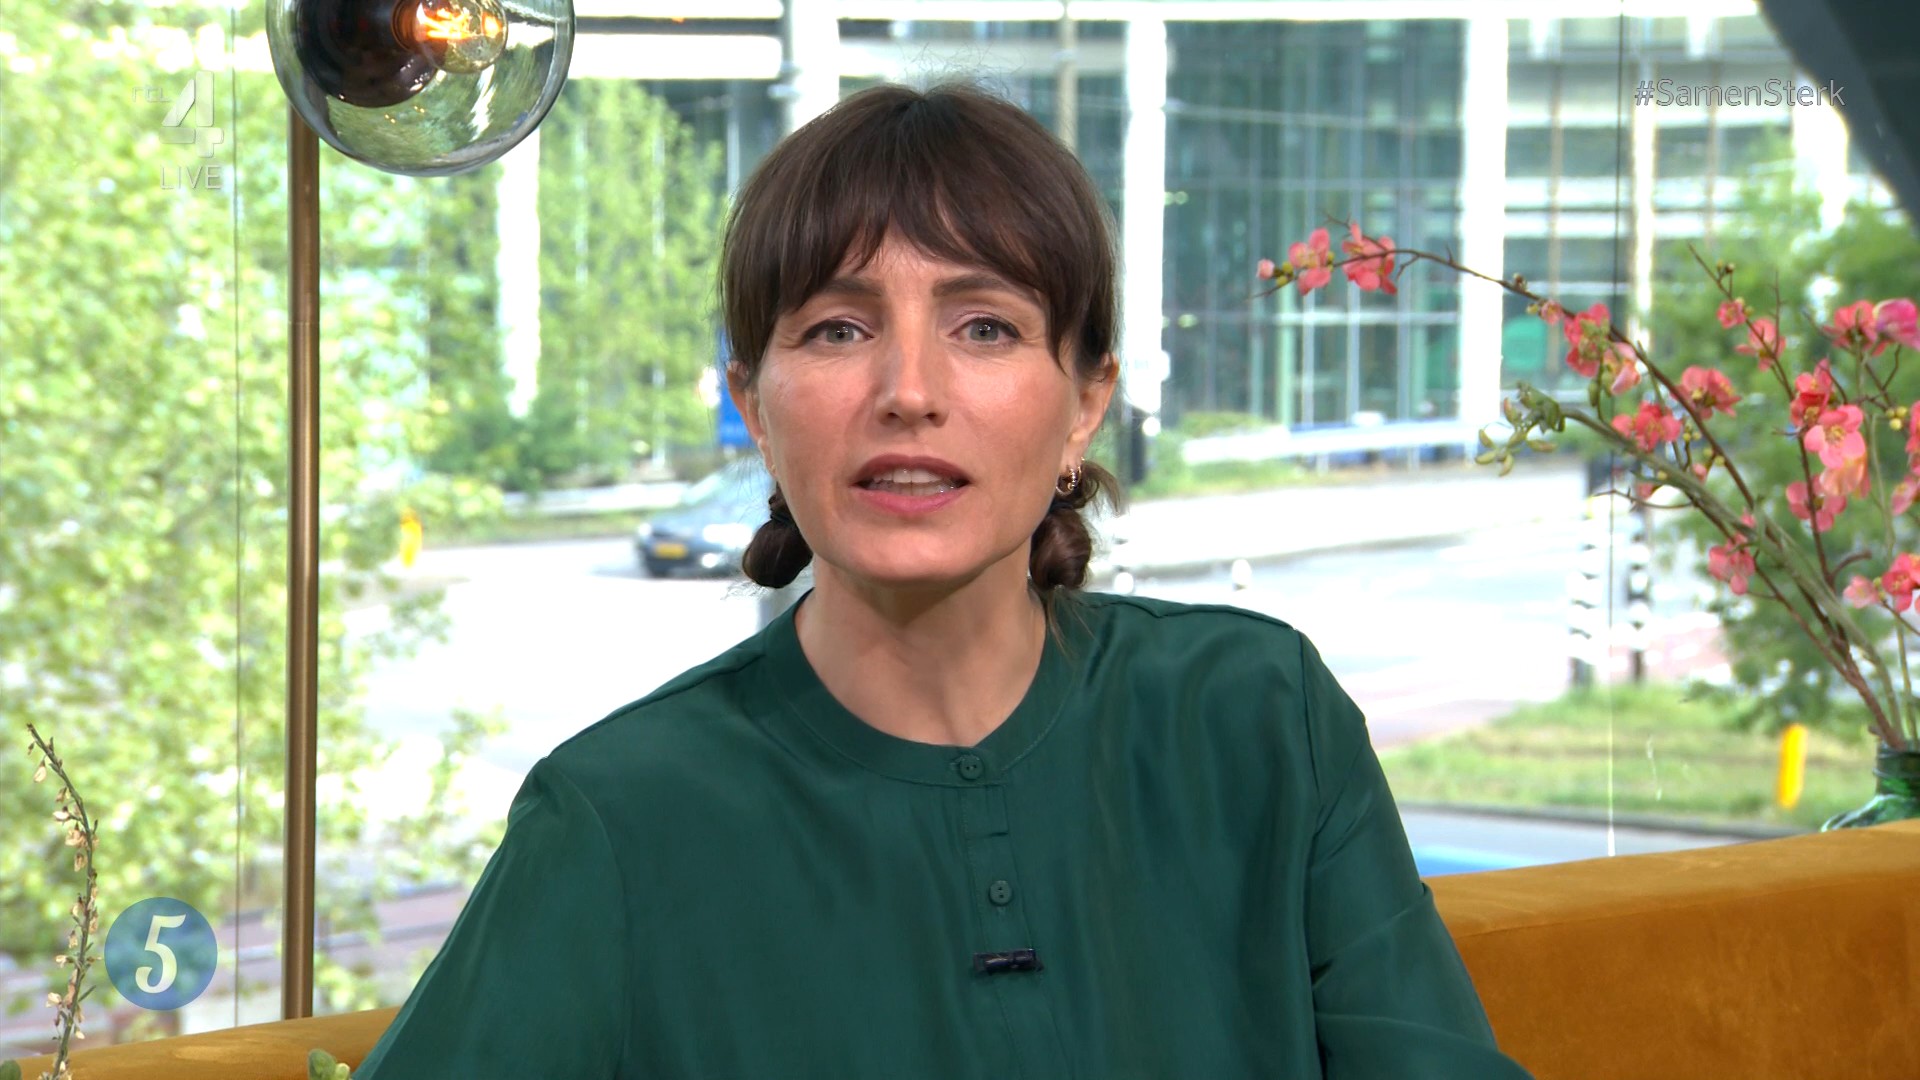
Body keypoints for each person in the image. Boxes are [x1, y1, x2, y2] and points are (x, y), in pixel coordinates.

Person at [352, 80, 1535, 1080]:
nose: (908, 391)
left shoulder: (1264, 716)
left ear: (1085, 403)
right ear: (754, 405)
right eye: (837, 329)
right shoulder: (616, 816)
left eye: (984, 328)